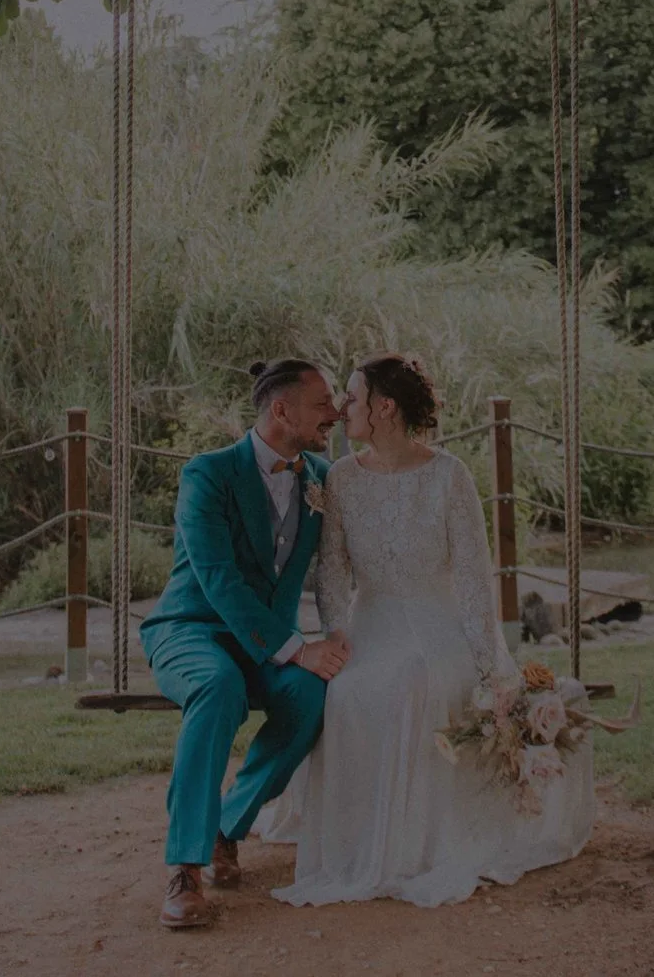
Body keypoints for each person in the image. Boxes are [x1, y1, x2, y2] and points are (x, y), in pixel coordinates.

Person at [259, 352, 595, 906]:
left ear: (385, 407)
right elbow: (333, 572)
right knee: (348, 687)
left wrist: (489, 664)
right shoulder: (341, 477)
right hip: (370, 621)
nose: (342, 408)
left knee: (415, 678)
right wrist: (335, 635)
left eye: (353, 397)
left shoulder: (449, 475)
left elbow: (472, 579)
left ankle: (418, 846)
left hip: (440, 621)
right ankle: (359, 840)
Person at [140, 357, 351, 931]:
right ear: (281, 410)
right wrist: (297, 647)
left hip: (266, 645)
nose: (335, 413)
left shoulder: (322, 477)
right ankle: (185, 868)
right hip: (193, 629)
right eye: (323, 403)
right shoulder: (207, 474)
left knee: (310, 693)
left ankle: (225, 828)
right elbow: (219, 579)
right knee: (217, 686)